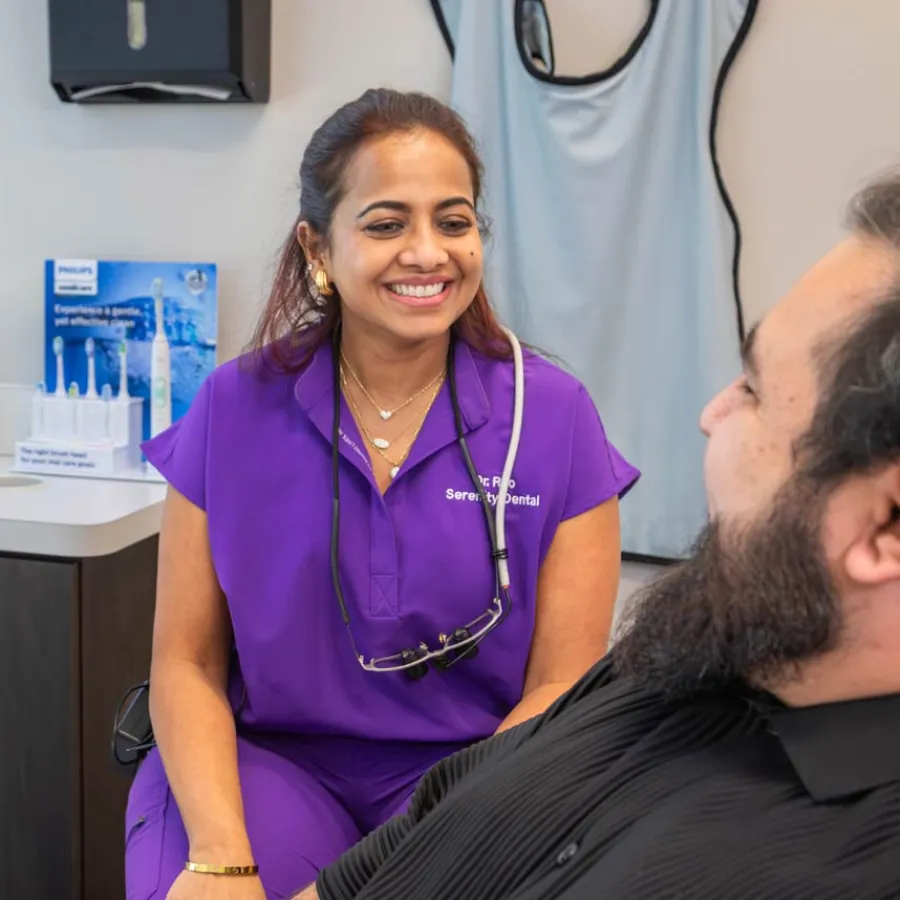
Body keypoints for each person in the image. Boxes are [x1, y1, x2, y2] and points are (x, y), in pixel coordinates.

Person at [292, 170, 900, 900]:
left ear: (885, 527)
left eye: (753, 390)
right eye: (386, 224)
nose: (712, 413)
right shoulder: (686, 652)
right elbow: (434, 821)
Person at [124, 88, 639, 900]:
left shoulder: (552, 416)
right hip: (262, 764)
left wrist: (437, 843)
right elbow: (185, 661)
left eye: (455, 220)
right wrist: (222, 855)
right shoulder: (234, 405)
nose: (429, 252)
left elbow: (559, 685)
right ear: (318, 246)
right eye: (387, 223)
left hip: (478, 777)